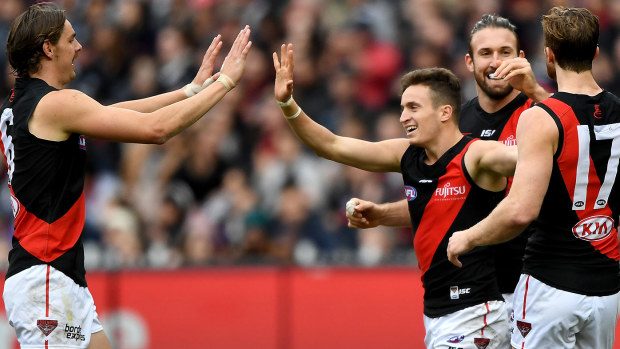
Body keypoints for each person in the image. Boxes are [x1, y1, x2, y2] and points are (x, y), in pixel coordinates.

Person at [0, 3, 252, 348]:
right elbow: (157, 129)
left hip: (53, 277)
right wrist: (224, 83)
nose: (79, 48)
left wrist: (188, 91)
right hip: (46, 278)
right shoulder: (57, 105)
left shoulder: (20, 105)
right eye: (71, 40)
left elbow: (107, 114)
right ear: (48, 48)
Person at [274, 44, 517, 348]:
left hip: (476, 311)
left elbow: (533, 158)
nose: (403, 117)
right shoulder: (408, 155)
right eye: (402, 108)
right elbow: (332, 146)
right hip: (437, 314)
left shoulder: (477, 154)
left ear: (445, 112)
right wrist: (288, 105)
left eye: (413, 107)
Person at [346, 14, 550, 315]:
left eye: (505, 52)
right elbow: (443, 198)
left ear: (521, 57)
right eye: (485, 53)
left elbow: (576, 153)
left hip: (539, 284)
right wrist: (383, 214)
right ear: (469, 62)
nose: (496, 62)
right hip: (479, 296)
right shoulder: (453, 124)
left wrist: (537, 93)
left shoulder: (544, 112)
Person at [446, 7, 620, 349]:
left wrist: (467, 237)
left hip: (550, 282)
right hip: (606, 288)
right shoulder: (617, 110)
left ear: (548, 56)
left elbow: (520, 211)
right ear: (596, 53)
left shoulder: (538, 118)